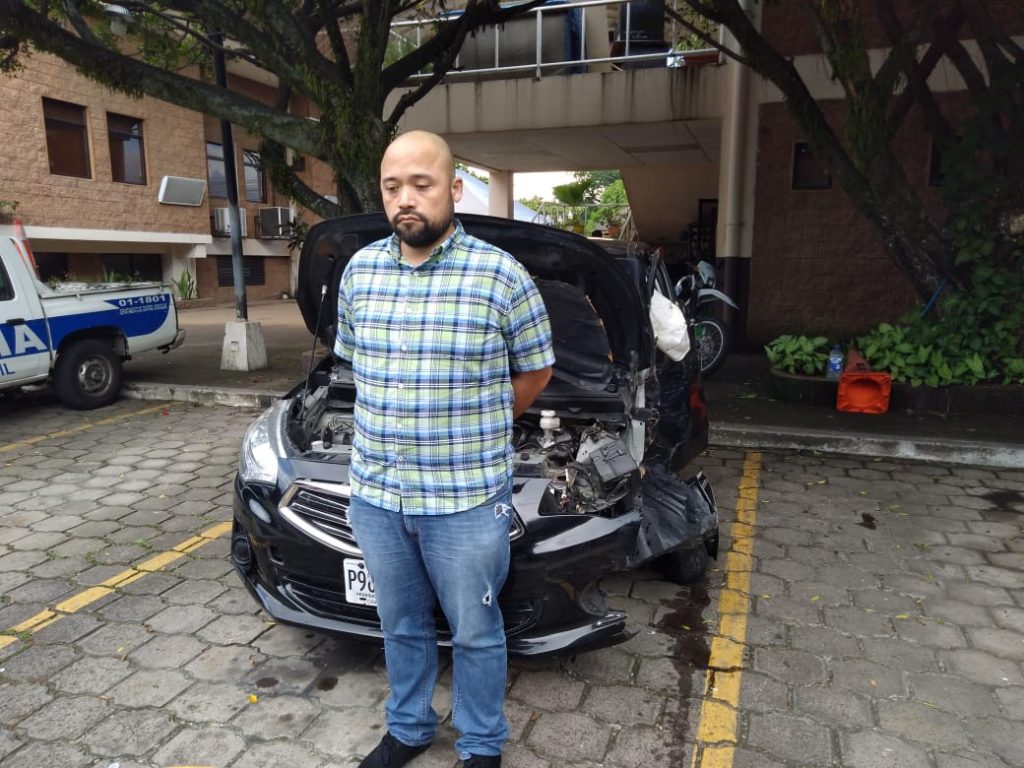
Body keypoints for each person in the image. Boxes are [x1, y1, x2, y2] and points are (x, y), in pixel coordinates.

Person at [334, 130, 554, 768]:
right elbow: (357, 369)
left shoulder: (500, 276)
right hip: (377, 496)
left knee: (476, 632)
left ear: (454, 190)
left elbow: (535, 373)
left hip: (464, 500)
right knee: (399, 626)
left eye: (422, 185)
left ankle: (481, 744)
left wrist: (481, 424)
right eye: (392, 186)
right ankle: (409, 728)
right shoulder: (360, 272)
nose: (407, 199)